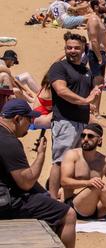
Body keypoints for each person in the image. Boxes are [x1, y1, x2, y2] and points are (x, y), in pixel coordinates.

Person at [0, 99, 77, 248]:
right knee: (68, 214)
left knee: (46, 201)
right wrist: (41, 155)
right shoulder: (8, 141)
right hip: (6, 203)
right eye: (29, 120)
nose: (30, 126)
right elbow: (26, 182)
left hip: (6, 195)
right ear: (17, 119)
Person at [48, 33, 101, 200]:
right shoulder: (59, 67)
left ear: (83, 49)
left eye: (77, 48)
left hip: (82, 123)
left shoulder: (85, 71)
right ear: (65, 48)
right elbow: (61, 90)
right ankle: (52, 198)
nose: (73, 51)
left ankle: (68, 199)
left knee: (75, 163)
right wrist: (85, 101)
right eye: (69, 47)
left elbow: (88, 93)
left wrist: (92, 96)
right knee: (60, 162)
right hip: (65, 121)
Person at [86, 0, 106, 116]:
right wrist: (99, 57)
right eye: (103, 5)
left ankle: (96, 111)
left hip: (100, 53)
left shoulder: (98, 18)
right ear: (96, 7)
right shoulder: (93, 20)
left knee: (100, 84)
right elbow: (93, 40)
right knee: (97, 85)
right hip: (96, 54)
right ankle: (93, 111)